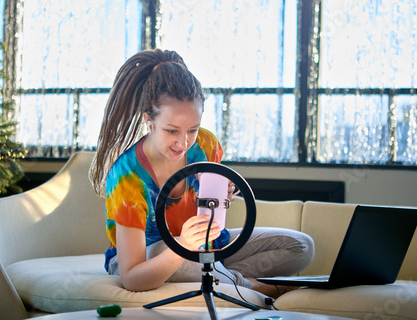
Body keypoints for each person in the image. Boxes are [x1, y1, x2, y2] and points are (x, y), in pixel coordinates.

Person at [89, 49, 314, 298]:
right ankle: (252, 287)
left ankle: (224, 277)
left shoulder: (206, 145)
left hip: (203, 245)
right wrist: (183, 246)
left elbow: (210, 218)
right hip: (150, 256)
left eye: (192, 129)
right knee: (189, 262)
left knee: (301, 246)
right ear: (148, 121)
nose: (183, 143)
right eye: (172, 130)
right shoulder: (126, 177)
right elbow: (132, 277)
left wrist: (222, 199)